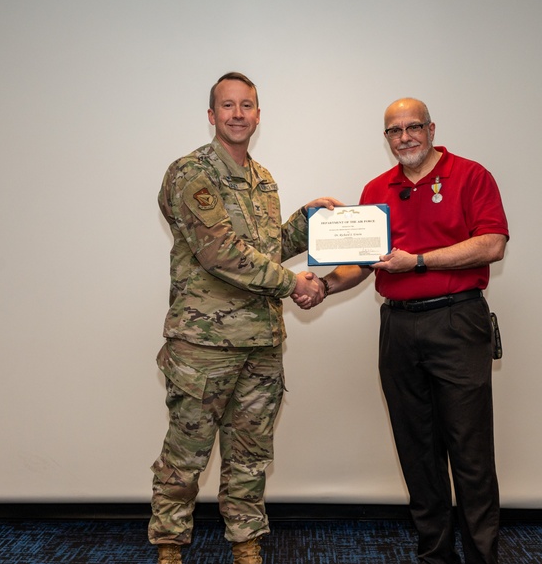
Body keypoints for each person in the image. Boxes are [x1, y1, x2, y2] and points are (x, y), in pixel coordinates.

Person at [149, 72, 337, 564]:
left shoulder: (263, 179)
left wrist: (308, 220)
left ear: (258, 115)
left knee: (250, 455)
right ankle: (170, 547)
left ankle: (245, 543)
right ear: (212, 115)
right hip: (204, 346)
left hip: (259, 343)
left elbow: (266, 248)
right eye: (227, 106)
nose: (238, 114)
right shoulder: (191, 173)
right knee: (186, 454)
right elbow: (221, 253)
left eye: (246, 105)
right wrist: (294, 283)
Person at [313, 97, 508, 564]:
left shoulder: (471, 175)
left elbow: (492, 243)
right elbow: (362, 265)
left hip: (458, 321)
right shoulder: (378, 188)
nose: (405, 137)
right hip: (398, 326)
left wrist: (418, 260)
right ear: (387, 138)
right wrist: (320, 287)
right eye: (394, 131)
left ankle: (483, 558)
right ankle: (435, 556)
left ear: (432, 128)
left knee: (470, 453)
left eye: (413, 127)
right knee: (417, 450)